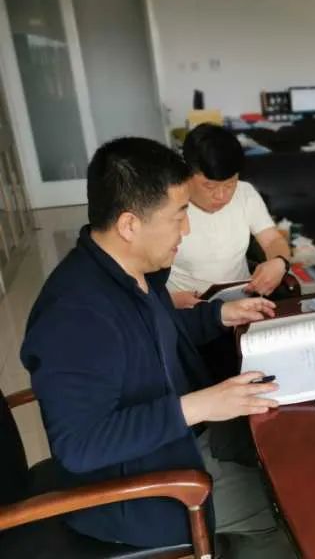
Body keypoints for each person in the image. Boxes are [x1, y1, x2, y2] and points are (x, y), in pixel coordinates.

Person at [21, 138, 294, 556]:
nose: (186, 229)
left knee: (290, 443)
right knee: (292, 512)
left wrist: (218, 315)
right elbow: (79, 445)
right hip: (145, 491)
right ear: (129, 225)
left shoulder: (131, 272)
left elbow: (153, 335)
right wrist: (197, 406)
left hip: (178, 443)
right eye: (179, 215)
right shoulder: (75, 315)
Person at [168, 123, 292, 309]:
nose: (221, 196)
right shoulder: (166, 204)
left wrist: (279, 262)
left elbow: (272, 240)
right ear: (186, 173)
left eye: (230, 184)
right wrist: (169, 301)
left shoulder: (245, 193)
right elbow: (141, 272)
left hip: (241, 303)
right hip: (187, 309)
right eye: (209, 186)